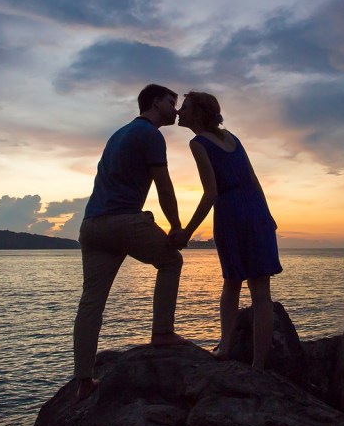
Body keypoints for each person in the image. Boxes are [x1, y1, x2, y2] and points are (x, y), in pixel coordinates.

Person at [73, 84, 189, 401]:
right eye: (171, 102)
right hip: (123, 220)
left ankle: (84, 381)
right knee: (171, 261)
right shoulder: (151, 135)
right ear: (155, 102)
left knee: (91, 303)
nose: (176, 109)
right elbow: (164, 188)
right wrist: (177, 226)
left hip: (92, 225)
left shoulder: (119, 134)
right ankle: (162, 333)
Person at [174, 91, 282, 370]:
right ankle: (259, 365)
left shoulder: (197, 143)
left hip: (231, 211)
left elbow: (210, 193)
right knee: (261, 294)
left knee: (232, 283)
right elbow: (254, 179)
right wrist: (267, 215)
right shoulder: (233, 137)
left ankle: (226, 348)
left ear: (197, 113)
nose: (178, 112)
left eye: (184, 107)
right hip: (255, 209)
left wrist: (187, 232)